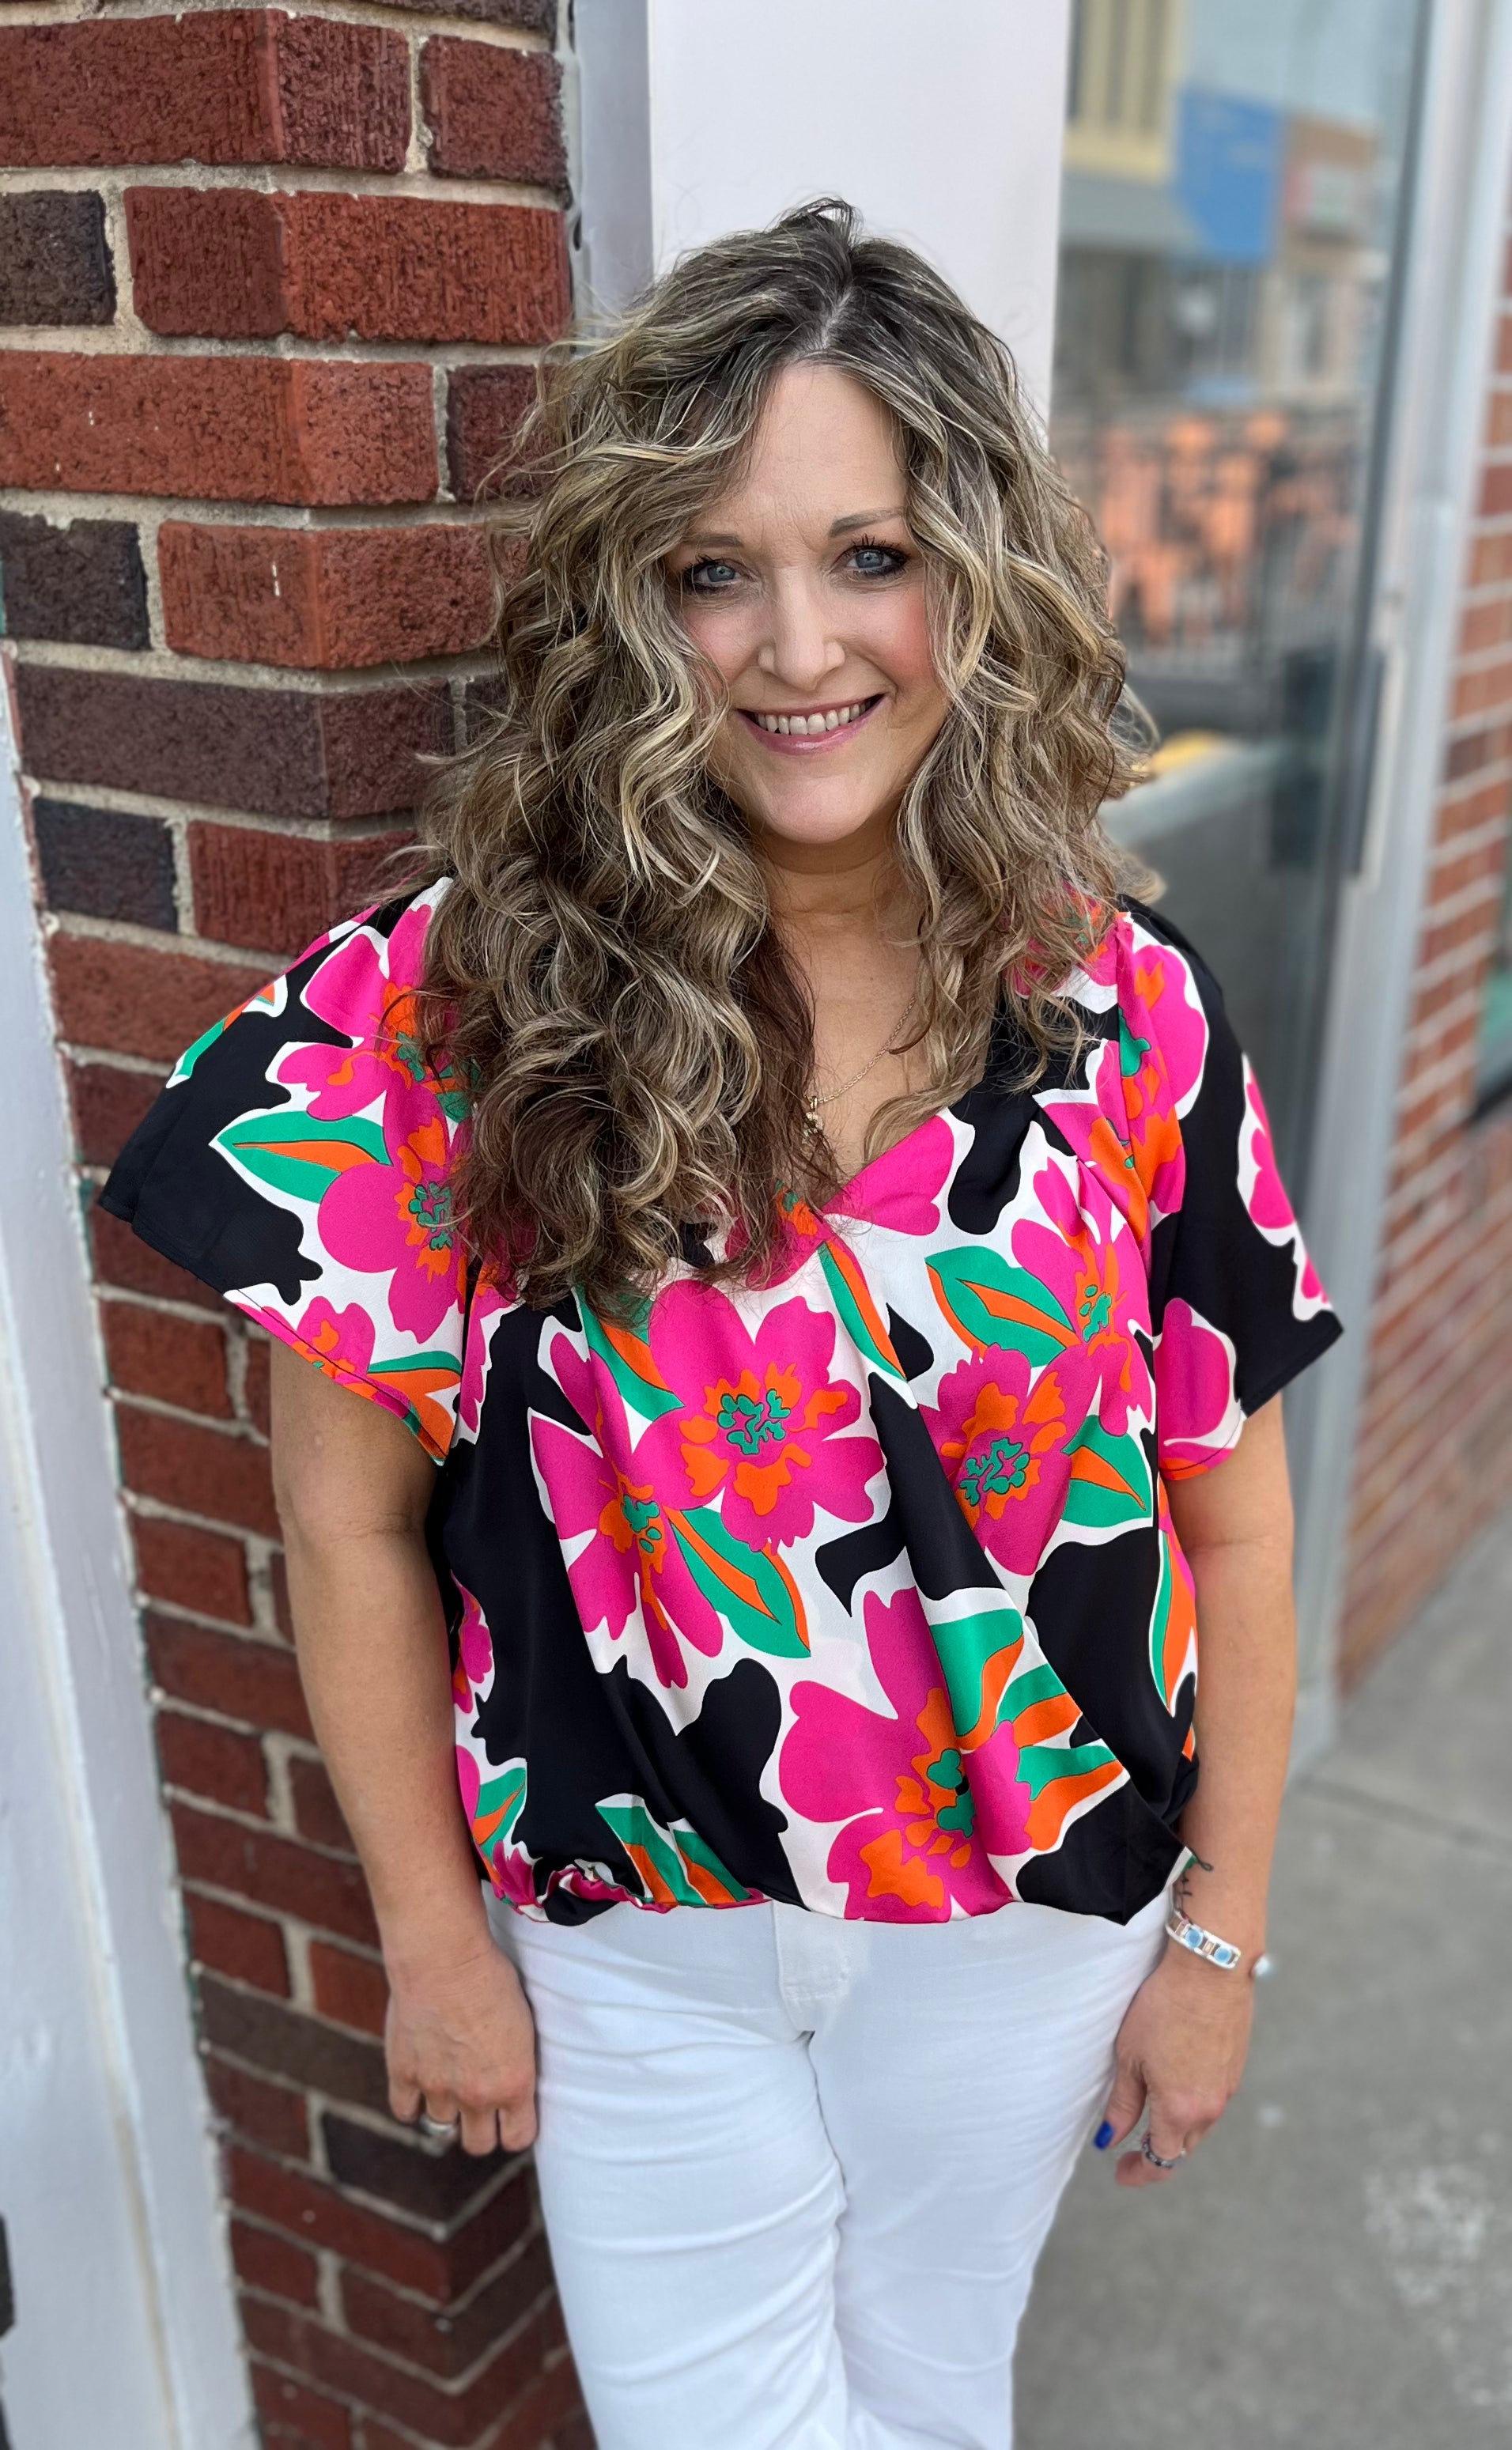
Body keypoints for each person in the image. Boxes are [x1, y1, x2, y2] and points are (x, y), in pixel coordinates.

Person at [103, 201, 1343, 2450]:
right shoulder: (452, 1007)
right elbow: (347, 1525)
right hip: (636, 1946)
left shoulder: (1124, 1018)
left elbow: (1234, 1521)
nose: (796, 647)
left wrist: (1220, 1942)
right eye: (710, 570)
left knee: (933, 2400)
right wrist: (431, 1942)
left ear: (978, 578)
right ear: (626, 603)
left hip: (1029, 1927)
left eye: (870, 556)